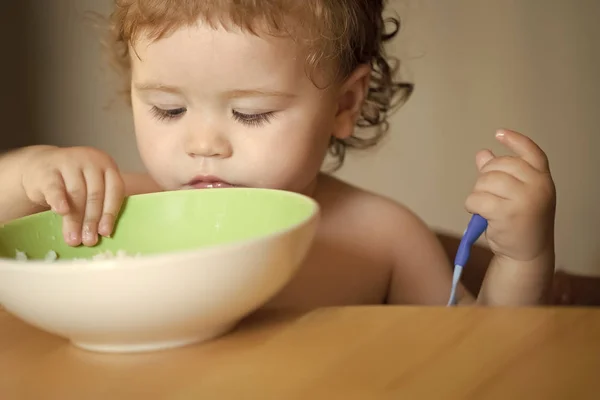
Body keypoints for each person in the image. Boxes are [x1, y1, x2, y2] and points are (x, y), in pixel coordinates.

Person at [0, 0, 556, 307]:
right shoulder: (120, 208)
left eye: (251, 113)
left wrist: (522, 262)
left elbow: (470, 349)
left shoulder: (382, 238)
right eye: (169, 109)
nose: (204, 145)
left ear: (344, 103)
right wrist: (29, 174)